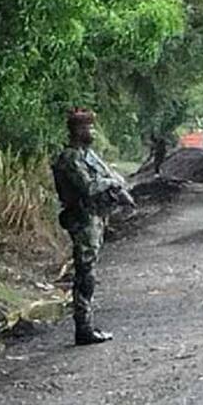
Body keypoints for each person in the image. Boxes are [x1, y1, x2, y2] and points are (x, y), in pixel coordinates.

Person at [51, 108, 134, 346]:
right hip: (83, 218)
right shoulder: (70, 158)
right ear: (77, 130)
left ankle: (87, 325)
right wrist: (112, 182)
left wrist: (119, 190)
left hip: (95, 217)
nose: (92, 131)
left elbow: (109, 176)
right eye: (87, 127)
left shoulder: (88, 155)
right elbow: (88, 186)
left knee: (89, 272)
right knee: (85, 274)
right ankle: (83, 328)